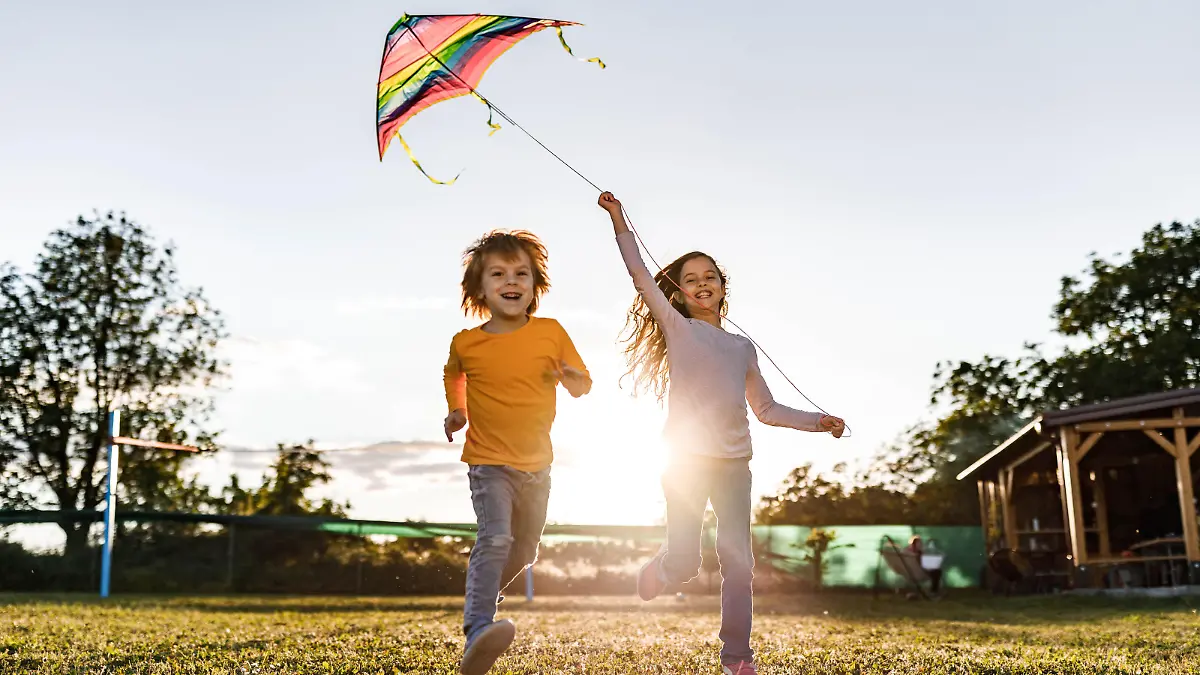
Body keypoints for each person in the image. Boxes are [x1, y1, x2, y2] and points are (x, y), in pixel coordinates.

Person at [597, 192, 845, 675]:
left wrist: (819, 421)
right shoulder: (677, 326)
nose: (701, 283)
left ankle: (736, 656)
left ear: (722, 286)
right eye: (690, 279)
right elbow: (638, 274)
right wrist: (618, 219)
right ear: (678, 292)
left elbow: (767, 408)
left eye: (709, 275)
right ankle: (664, 567)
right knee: (688, 563)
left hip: (735, 467)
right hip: (685, 464)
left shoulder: (742, 347)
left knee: (738, 562)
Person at [442, 229, 592, 675]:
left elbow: (584, 385)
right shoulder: (467, 342)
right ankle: (478, 629)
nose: (512, 281)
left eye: (521, 273)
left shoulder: (550, 333)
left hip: (537, 467)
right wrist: (456, 411)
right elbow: (454, 376)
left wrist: (569, 375)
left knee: (525, 551)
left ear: (535, 285)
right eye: (499, 273)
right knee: (495, 538)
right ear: (480, 288)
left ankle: (484, 597)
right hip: (488, 464)